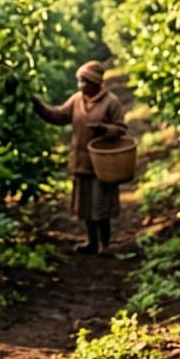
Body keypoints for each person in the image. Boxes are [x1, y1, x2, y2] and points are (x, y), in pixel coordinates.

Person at [34, 60, 127, 254]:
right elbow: (58, 115)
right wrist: (37, 104)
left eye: (84, 82)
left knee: (102, 206)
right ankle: (91, 241)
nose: (80, 86)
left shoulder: (111, 102)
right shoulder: (76, 100)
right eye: (79, 81)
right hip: (81, 162)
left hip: (103, 163)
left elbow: (120, 129)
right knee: (85, 205)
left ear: (96, 83)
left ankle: (105, 243)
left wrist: (104, 129)